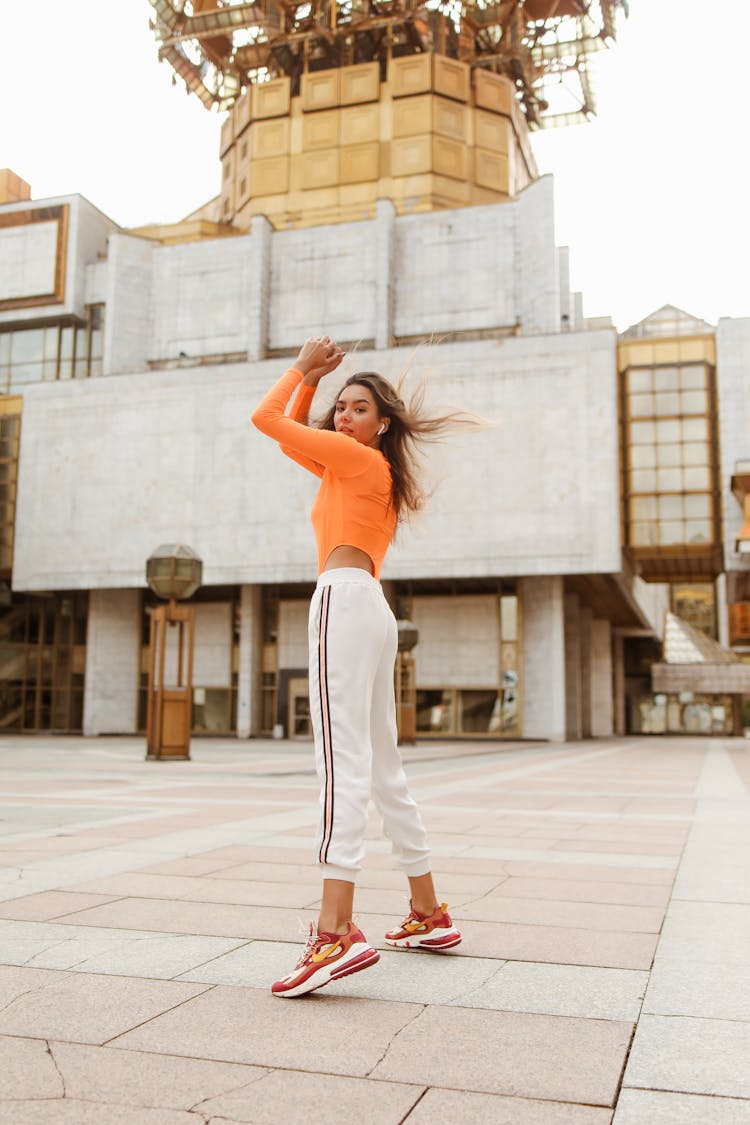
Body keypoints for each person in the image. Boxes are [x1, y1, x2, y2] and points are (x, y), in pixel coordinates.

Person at [251, 335, 463, 999]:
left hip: (342, 600)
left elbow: (266, 420)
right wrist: (314, 390)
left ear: (382, 423)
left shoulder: (353, 460)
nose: (342, 418)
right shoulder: (368, 471)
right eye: (339, 408)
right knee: (382, 768)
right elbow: (290, 439)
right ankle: (427, 910)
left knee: (340, 764)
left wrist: (301, 371)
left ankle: (334, 931)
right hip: (372, 607)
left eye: (357, 408)